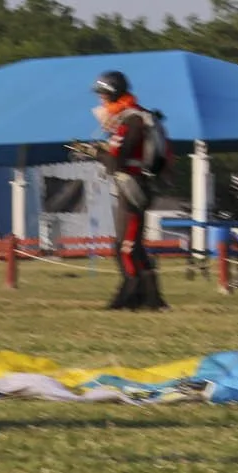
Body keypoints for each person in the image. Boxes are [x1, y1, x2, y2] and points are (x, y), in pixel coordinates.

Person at [91, 70, 170, 311]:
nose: (100, 100)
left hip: (133, 186)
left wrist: (94, 152)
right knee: (130, 246)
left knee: (125, 247)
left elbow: (116, 161)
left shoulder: (130, 121)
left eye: (103, 95)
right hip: (132, 184)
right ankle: (152, 298)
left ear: (113, 94)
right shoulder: (132, 117)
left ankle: (131, 295)